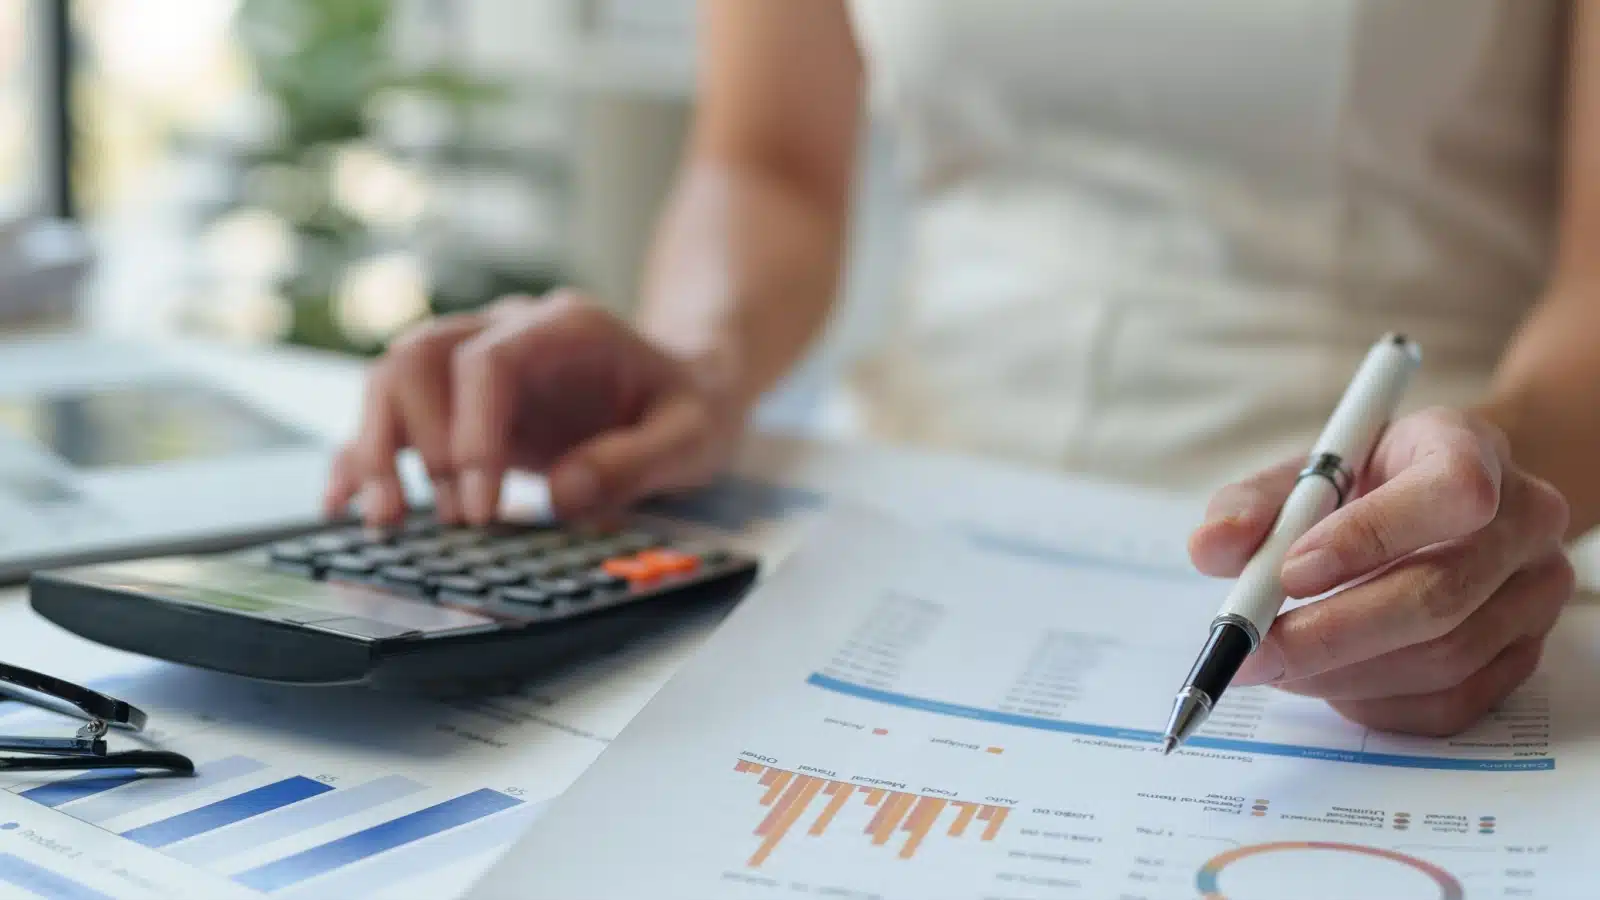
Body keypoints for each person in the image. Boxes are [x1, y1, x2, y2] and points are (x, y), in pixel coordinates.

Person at [325, 0, 1598, 737]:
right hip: (890, 524)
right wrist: (700, 359)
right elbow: (765, 159)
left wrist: (1491, 468)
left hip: (1405, 551)